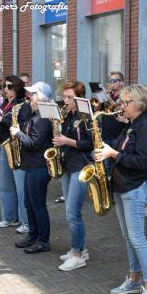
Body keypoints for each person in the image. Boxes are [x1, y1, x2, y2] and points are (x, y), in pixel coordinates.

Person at [94, 84, 147, 294]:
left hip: (134, 186)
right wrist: (104, 147)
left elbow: (142, 161)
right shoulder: (132, 125)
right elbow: (119, 147)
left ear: (139, 104)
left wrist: (113, 154)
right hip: (122, 185)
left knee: (138, 239)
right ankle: (134, 279)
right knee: (128, 237)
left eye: (125, 102)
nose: (121, 106)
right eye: (121, 102)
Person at [53, 81, 93, 271]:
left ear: (79, 98)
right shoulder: (66, 115)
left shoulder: (86, 116)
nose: (65, 100)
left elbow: (91, 144)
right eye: (65, 97)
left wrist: (67, 141)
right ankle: (80, 248)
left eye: (70, 97)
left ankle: (77, 255)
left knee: (72, 212)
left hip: (81, 166)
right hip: (68, 166)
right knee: (72, 213)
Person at [11, 82, 54, 254]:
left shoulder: (43, 119)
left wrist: (18, 134)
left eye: (33, 94)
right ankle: (33, 235)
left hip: (39, 166)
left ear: (41, 98)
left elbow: (34, 143)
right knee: (29, 203)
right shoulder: (34, 114)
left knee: (38, 205)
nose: (29, 97)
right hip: (31, 166)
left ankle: (43, 241)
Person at [0, 76, 31, 234]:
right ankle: (10, 217)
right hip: (4, 147)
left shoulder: (23, 105)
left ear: (16, 89)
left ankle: (26, 221)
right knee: (5, 185)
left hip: (17, 148)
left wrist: (2, 120)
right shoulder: (6, 104)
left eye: (9, 87)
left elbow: (23, 124)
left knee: (21, 188)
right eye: (5, 86)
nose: (5, 89)